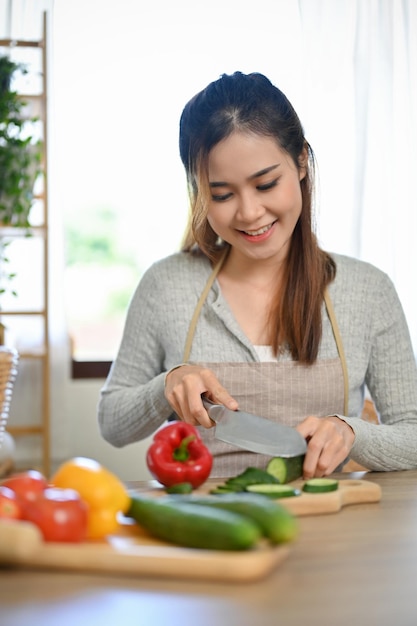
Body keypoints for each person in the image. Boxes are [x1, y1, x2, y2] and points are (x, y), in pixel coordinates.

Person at [98, 71, 417, 478]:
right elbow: (111, 424)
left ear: (301, 161)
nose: (248, 213)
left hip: (327, 527)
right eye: (222, 194)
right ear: (199, 192)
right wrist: (165, 386)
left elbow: (413, 433)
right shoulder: (166, 286)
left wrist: (353, 434)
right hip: (209, 527)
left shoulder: (367, 291)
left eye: (266, 184)